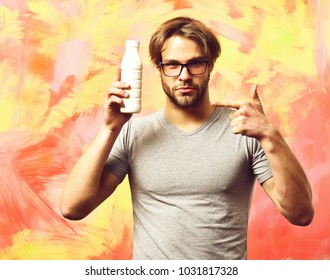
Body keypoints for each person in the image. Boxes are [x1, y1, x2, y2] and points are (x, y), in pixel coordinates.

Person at [60, 17, 314, 259]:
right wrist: (109, 128)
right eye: (172, 65)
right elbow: (73, 208)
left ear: (210, 65)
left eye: (195, 63)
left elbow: (300, 214)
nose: (184, 75)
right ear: (159, 69)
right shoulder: (133, 133)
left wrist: (271, 136)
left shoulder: (244, 129)